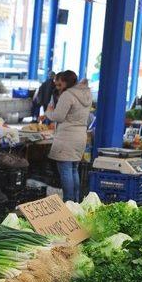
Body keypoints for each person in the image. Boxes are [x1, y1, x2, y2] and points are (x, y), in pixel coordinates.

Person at [45, 70, 91, 202]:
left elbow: (58, 116)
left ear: (65, 82)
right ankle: (75, 202)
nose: (58, 87)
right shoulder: (86, 94)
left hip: (67, 137)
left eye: (59, 84)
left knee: (65, 170)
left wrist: (48, 113)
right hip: (80, 136)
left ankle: (68, 202)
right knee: (73, 169)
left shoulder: (68, 95)